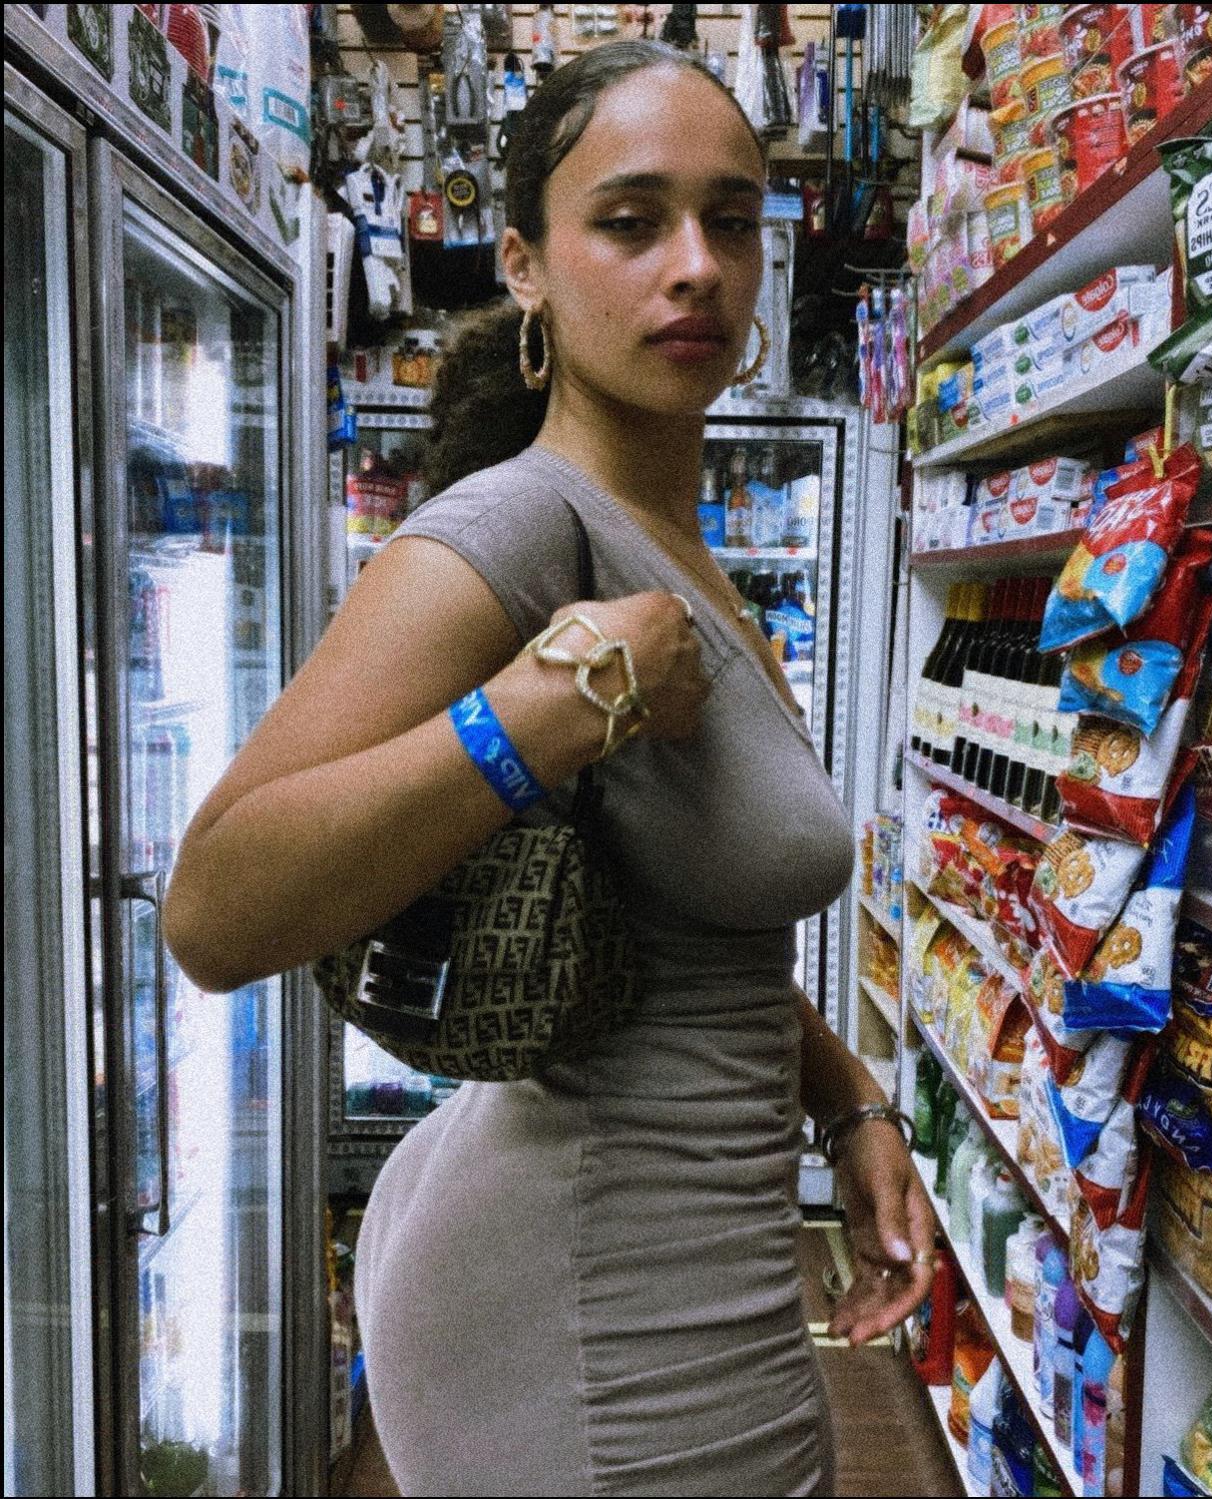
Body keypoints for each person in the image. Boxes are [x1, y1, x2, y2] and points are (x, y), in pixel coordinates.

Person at [163, 39, 936, 1498]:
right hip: (587, 1311)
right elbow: (213, 907)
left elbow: (690, 942)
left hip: (704, 1277)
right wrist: (536, 715)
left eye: (732, 218)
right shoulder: (514, 530)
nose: (695, 266)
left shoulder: (678, 553)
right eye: (630, 220)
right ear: (523, 264)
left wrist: (848, 1103)